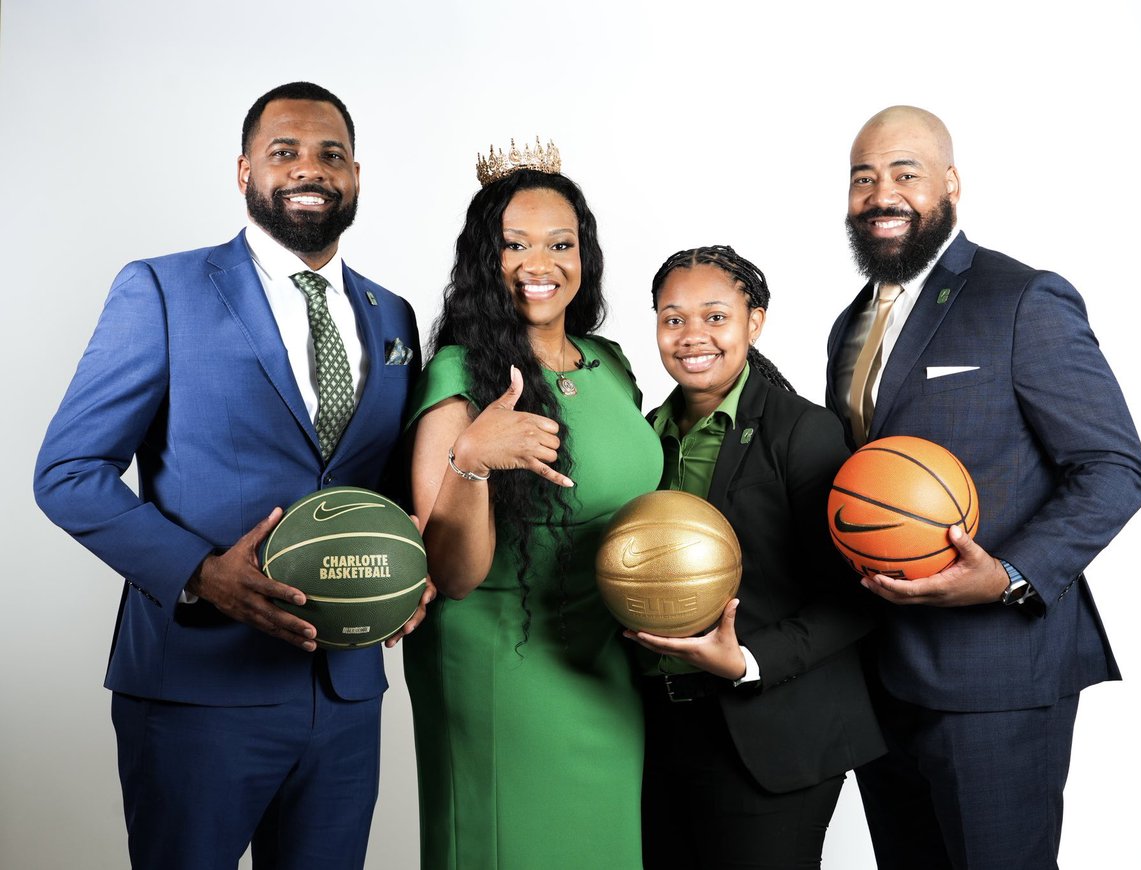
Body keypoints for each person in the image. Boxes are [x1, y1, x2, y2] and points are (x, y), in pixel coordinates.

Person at [33, 81, 427, 870]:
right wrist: (201, 574)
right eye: (284, 152)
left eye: (331, 155)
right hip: (196, 688)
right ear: (244, 172)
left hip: (345, 693)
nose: (309, 169)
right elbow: (68, 472)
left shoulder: (394, 316)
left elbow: (382, 485)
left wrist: (410, 562)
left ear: (357, 175)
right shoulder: (163, 290)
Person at [826, 105, 1141, 870]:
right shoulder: (849, 325)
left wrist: (1007, 576)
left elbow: (1114, 468)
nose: (882, 193)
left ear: (951, 183)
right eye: (863, 177)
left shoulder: (1023, 299)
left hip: (998, 672)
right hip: (882, 670)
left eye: (905, 172)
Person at [402, 141, 662, 869]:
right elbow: (451, 573)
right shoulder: (459, 373)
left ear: (585, 255)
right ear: (485, 259)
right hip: (504, 662)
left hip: (605, 660)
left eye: (560, 243)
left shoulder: (609, 363)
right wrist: (472, 461)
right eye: (513, 244)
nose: (538, 262)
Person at [627, 245, 885, 869]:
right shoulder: (640, 437)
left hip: (772, 733)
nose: (693, 337)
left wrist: (745, 660)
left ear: (755, 322)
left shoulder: (804, 432)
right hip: (655, 732)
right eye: (673, 318)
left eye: (716, 316)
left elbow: (857, 597)